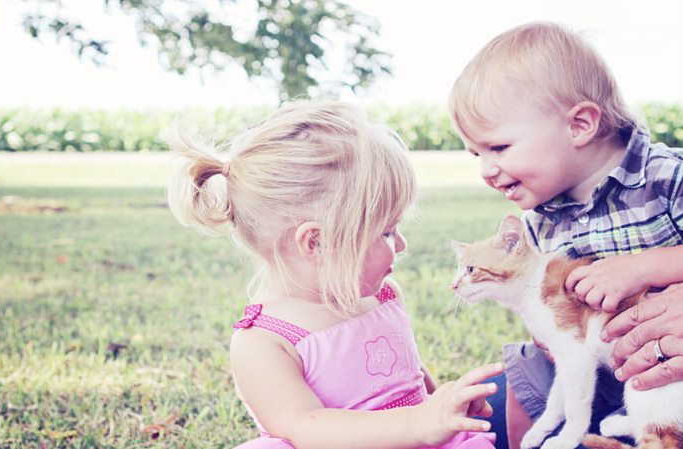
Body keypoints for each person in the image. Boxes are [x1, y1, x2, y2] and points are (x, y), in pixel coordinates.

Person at [166, 100, 503, 448]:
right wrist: (417, 423)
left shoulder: (382, 296)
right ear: (316, 243)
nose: (401, 245)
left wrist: (442, 407)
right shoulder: (263, 342)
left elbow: (411, 379)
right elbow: (307, 428)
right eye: (386, 231)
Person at [447, 21, 683, 449]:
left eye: (498, 148)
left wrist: (644, 266)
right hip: (604, 359)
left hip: (670, 364)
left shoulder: (666, 178)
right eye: (475, 154)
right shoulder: (542, 219)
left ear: (579, 126)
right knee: (524, 376)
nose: (485, 170)